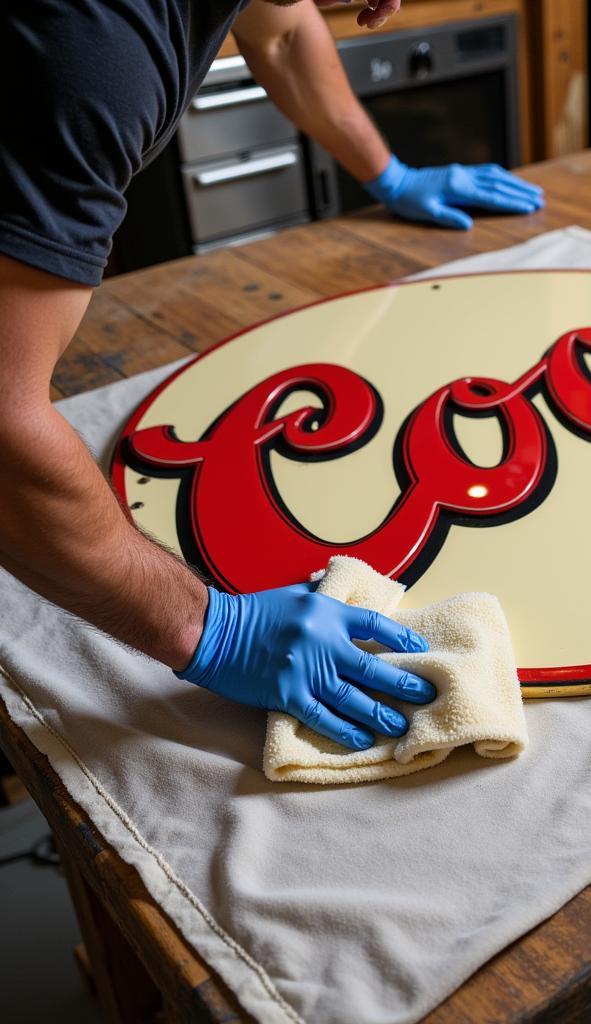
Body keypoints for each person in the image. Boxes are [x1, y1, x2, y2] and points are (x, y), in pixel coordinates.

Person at [0, 0, 544, 751]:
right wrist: (209, 627)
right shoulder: (93, 57)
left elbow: (282, 28)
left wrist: (389, 173)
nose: (385, 9)